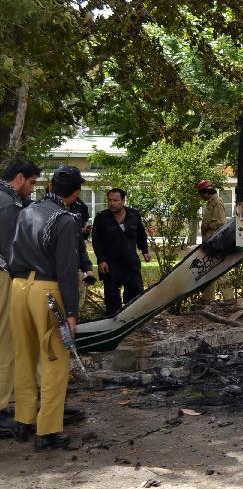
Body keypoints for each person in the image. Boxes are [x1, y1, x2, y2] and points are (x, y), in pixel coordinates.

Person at [8, 165, 85, 450]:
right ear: (75, 193)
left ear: (50, 185)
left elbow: (12, 250)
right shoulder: (65, 219)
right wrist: (73, 312)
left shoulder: (26, 211)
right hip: (47, 290)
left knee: (24, 355)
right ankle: (48, 430)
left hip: (18, 287)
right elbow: (67, 269)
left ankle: (23, 420)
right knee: (54, 359)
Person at [0, 157, 41, 437]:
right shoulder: (9, 204)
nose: (31, 188)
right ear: (19, 178)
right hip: (3, 274)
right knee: (7, 340)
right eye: (31, 182)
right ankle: (1, 408)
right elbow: (11, 247)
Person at [91, 189, 151, 316]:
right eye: (109, 200)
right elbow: (97, 242)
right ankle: (113, 326)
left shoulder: (134, 215)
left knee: (135, 299)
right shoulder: (101, 218)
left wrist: (145, 250)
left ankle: (133, 324)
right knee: (112, 303)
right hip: (110, 266)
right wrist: (101, 260)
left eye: (115, 200)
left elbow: (141, 234)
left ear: (123, 201)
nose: (112, 203)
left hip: (130, 264)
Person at [197, 180, 232, 304]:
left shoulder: (216, 202)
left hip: (216, 242)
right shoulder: (211, 202)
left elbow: (221, 222)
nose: (200, 196)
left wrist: (208, 227)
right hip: (210, 242)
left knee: (220, 270)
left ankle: (229, 298)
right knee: (208, 270)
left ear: (206, 192)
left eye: (201, 194)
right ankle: (208, 298)